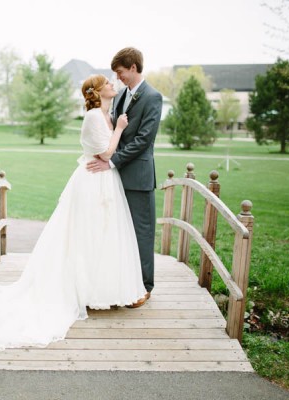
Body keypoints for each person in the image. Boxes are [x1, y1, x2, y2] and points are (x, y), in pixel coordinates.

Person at [0, 74, 147, 350]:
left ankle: (100, 290)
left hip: (106, 181)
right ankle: (82, 291)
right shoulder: (95, 116)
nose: (112, 85)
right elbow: (105, 154)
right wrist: (118, 129)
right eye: (107, 82)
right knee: (88, 235)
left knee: (104, 235)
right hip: (93, 182)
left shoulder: (107, 113)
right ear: (98, 91)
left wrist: (115, 125)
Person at [87, 47, 163, 308]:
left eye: (120, 72)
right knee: (120, 233)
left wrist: (112, 161)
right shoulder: (121, 96)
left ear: (133, 68)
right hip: (116, 178)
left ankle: (145, 287)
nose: (117, 77)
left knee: (142, 233)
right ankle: (124, 283)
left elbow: (144, 140)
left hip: (138, 176)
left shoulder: (153, 97)